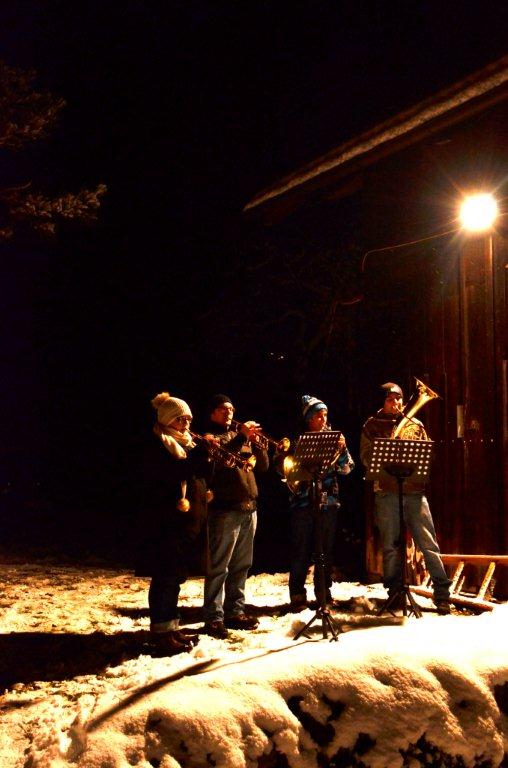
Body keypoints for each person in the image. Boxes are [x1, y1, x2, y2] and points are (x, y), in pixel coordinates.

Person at [360, 382, 451, 614]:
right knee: (390, 545)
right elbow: (366, 457)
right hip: (386, 491)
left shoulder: (415, 424)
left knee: (428, 543)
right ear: (382, 402)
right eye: (390, 399)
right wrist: (388, 447)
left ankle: (442, 593)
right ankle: (394, 592)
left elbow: (427, 455)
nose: (396, 403)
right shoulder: (371, 425)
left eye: (398, 399)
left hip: (414, 491)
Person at [136, 392, 210, 655]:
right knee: (165, 577)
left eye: (188, 419)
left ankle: (171, 627)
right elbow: (173, 474)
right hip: (166, 523)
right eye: (180, 419)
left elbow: (198, 473)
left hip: (186, 522)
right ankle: (160, 632)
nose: (186, 424)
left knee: (176, 576)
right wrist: (199, 456)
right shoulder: (158, 444)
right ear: (167, 420)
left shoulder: (186, 443)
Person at [278, 395, 355, 611]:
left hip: (328, 502)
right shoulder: (297, 442)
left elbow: (348, 469)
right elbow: (283, 470)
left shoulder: (334, 439)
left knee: (325, 551)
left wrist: (342, 450)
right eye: (319, 416)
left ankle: (323, 593)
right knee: (300, 550)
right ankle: (297, 595)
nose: (324, 419)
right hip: (302, 504)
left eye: (325, 415)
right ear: (309, 419)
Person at [202, 394, 269, 638]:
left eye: (231, 408)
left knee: (242, 565)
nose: (228, 412)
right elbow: (219, 461)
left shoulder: (239, 437)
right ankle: (213, 617)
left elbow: (263, 467)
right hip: (225, 509)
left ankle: (235, 611)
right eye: (222, 408)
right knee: (219, 566)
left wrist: (259, 446)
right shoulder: (210, 437)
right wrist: (242, 436)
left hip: (249, 507)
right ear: (212, 413)